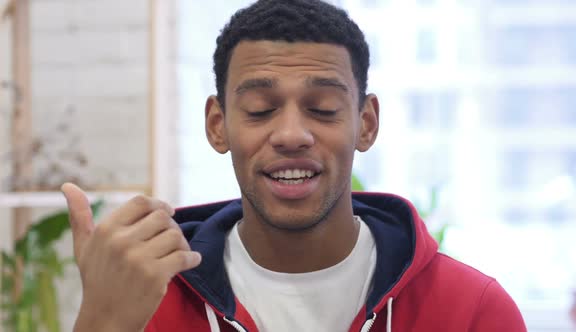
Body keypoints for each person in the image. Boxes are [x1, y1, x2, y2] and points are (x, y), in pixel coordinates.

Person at [61, 0, 526, 331]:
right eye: (261, 108)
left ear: (366, 124)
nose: (291, 135)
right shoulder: (147, 305)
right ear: (217, 126)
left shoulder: (472, 312)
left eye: (322, 108)